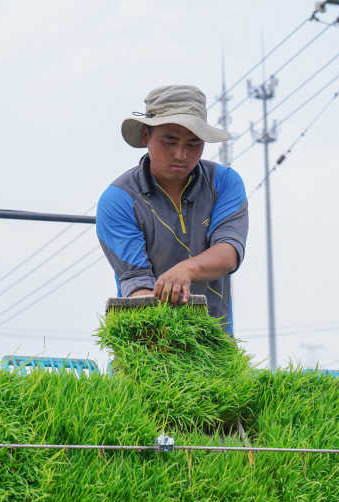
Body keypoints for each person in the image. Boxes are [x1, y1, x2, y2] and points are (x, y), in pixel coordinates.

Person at [96, 84, 248, 333]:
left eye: (193, 143)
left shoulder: (224, 183)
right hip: (145, 341)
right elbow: (137, 283)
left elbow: (229, 252)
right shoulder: (119, 199)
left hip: (215, 343)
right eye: (170, 141)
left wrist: (186, 270)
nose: (181, 154)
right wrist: (162, 339)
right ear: (146, 135)